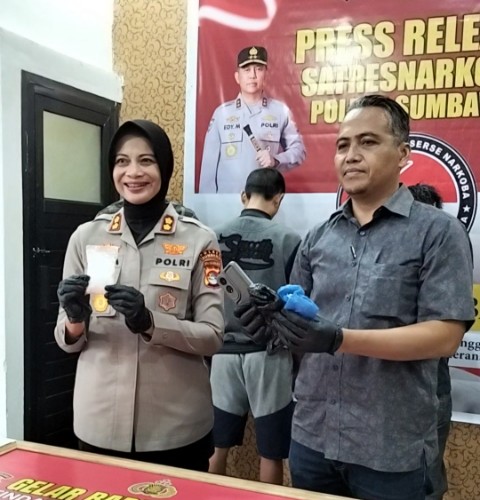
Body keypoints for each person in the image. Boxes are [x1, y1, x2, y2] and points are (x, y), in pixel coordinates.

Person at [237, 95, 475, 499]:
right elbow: (303, 329)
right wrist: (272, 328)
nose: (351, 155)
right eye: (343, 145)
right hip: (313, 437)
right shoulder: (318, 237)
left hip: (390, 447)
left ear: (403, 154)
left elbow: (444, 335)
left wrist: (340, 339)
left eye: (368, 142)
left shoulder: (438, 233)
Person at [54, 119, 224, 471]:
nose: (133, 172)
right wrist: (74, 319)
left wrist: (150, 322)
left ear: (164, 167)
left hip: (175, 427)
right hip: (99, 422)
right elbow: (67, 341)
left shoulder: (200, 239)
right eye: (122, 161)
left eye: (146, 160)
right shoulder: (85, 237)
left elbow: (212, 336)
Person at [208, 168, 301, 484]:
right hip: (269, 353)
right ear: (279, 199)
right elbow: (296, 302)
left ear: (244, 196)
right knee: (271, 451)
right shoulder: (289, 240)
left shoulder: (213, 236)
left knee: (217, 446)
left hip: (221, 352)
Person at [199, 46, 306, 193]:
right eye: (247, 70)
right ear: (237, 77)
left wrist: (276, 160)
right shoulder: (221, 114)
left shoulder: (280, 111)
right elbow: (208, 169)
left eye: (259, 69)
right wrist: (207, 203)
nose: (253, 75)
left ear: (266, 75)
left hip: (265, 199)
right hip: (227, 201)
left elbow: (298, 151)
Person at [407, 183, 457, 500]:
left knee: (427, 472)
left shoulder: (448, 250)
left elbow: (445, 336)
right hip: (387, 388)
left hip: (431, 382)